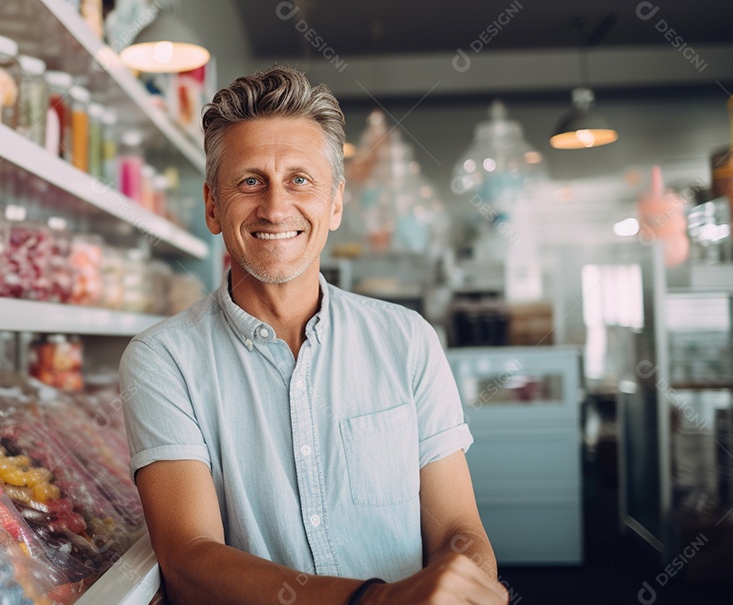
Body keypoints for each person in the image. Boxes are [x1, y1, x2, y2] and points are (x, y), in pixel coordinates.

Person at [119, 66, 506, 605]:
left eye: (300, 180)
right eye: (250, 181)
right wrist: (373, 601)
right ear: (212, 206)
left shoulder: (407, 340)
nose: (276, 208)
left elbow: (459, 530)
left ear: (336, 203)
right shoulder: (163, 360)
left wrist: (465, 585)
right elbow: (189, 558)